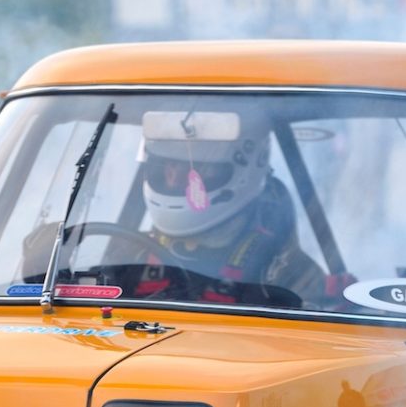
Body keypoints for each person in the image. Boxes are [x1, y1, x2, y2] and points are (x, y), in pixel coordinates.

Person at [132, 113, 328, 307]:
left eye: (197, 168)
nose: (175, 179)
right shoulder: (130, 249)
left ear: (245, 168)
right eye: (169, 165)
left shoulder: (288, 271)